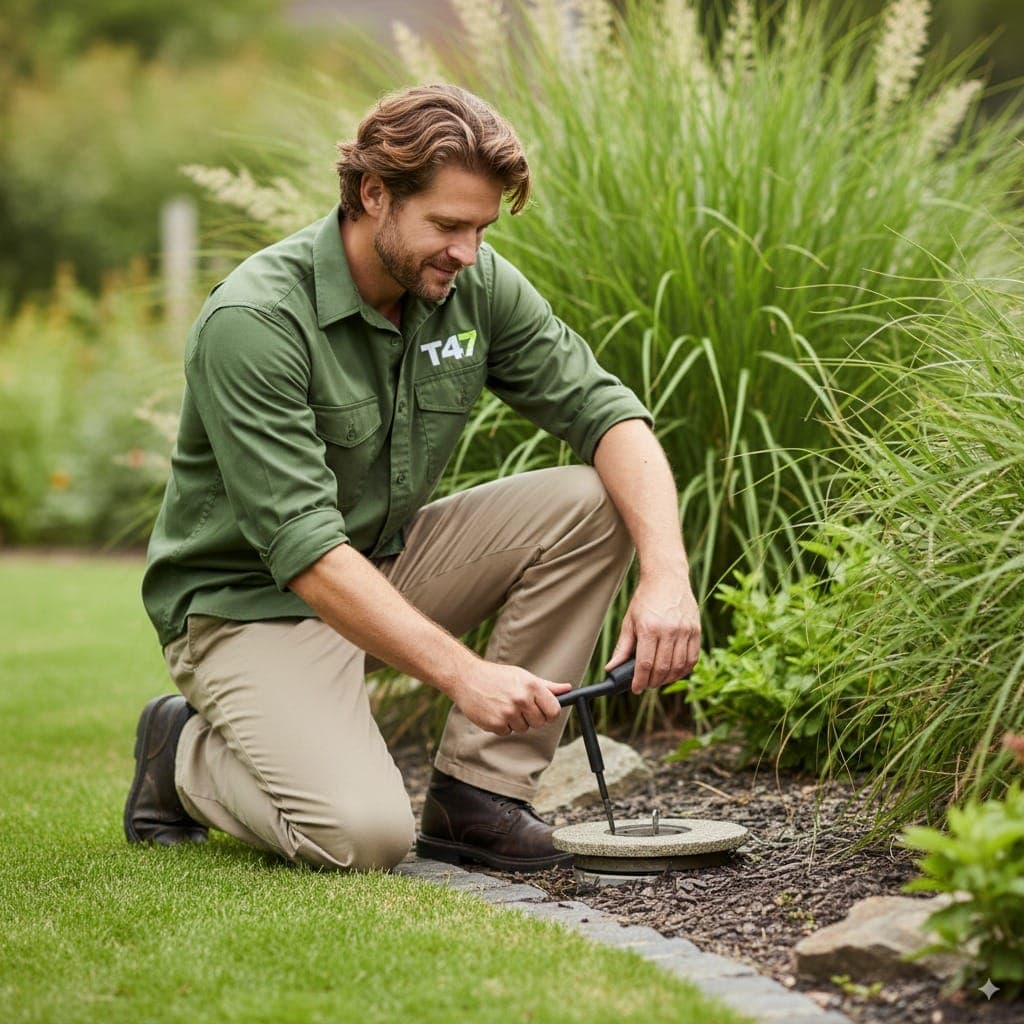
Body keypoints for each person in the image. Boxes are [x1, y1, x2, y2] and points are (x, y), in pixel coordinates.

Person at [124, 84, 701, 873]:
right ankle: (182, 754)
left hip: (381, 564)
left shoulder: (471, 284)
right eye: (448, 225)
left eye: (481, 228)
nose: (467, 251)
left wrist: (667, 577)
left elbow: (608, 415)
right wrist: (466, 675)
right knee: (363, 837)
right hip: (248, 606)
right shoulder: (255, 322)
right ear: (373, 193)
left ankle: (480, 798)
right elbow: (303, 552)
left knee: (597, 501)